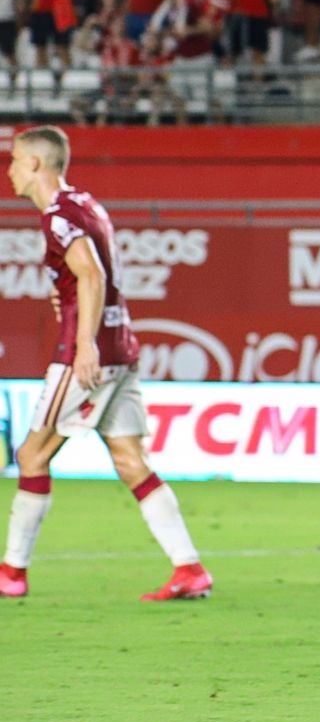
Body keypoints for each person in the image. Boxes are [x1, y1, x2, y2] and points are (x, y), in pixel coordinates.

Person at [3, 127, 212, 601]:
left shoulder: (57, 215)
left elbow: (91, 275)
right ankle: (190, 570)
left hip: (87, 355)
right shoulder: (87, 204)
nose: (10, 170)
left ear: (36, 164)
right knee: (129, 460)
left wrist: (84, 345)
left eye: (15, 160)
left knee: (32, 455)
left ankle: (11, 573)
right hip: (123, 347)